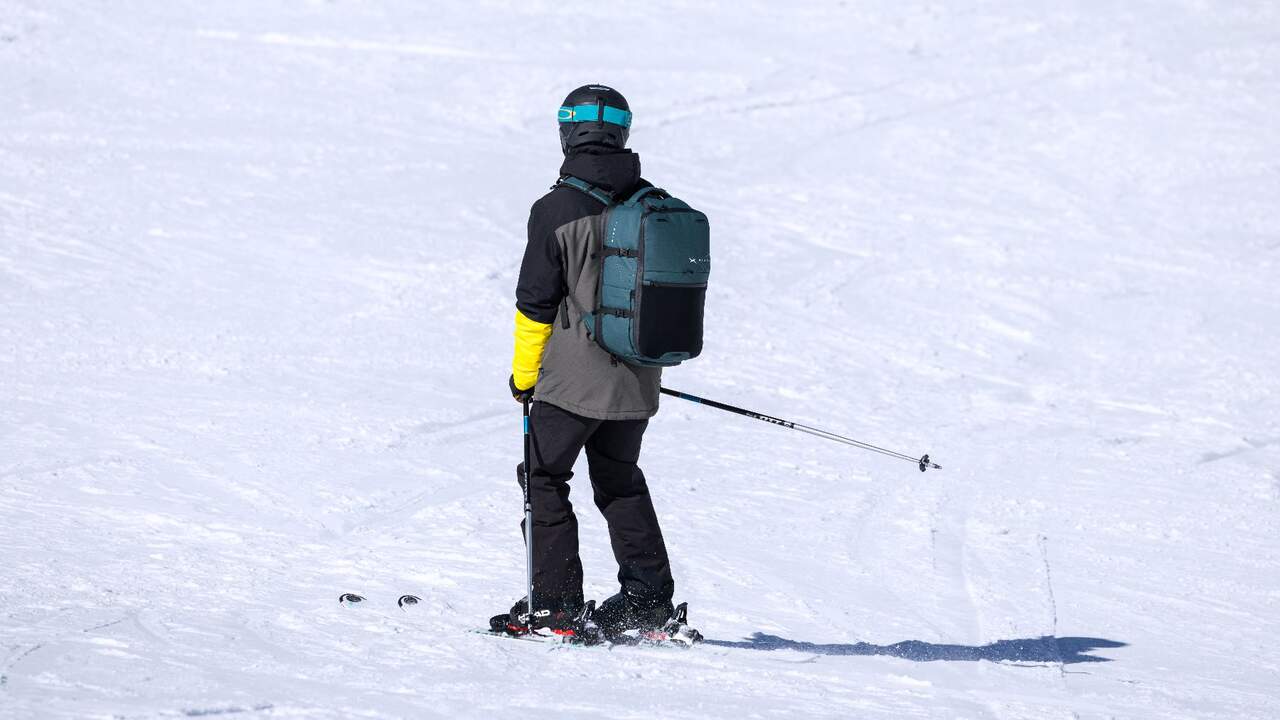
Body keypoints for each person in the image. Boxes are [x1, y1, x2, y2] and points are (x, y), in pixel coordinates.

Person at [495, 84, 675, 636]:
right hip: (638, 380)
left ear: (568, 133)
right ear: (622, 133)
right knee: (619, 480)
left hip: (569, 387)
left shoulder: (556, 209)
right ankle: (648, 600)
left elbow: (535, 305)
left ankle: (555, 604)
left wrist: (524, 377)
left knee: (545, 477)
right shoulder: (651, 203)